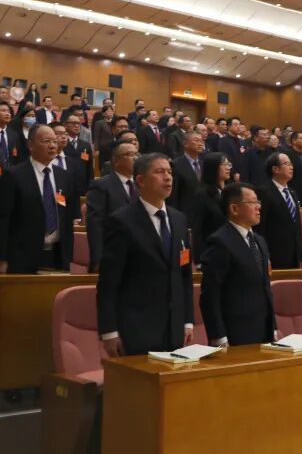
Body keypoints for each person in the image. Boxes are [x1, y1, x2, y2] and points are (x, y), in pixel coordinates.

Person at [97, 153, 194, 357]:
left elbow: (184, 275)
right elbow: (108, 282)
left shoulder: (179, 219)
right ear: (140, 180)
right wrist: (109, 331)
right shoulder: (121, 221)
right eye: (159, 172)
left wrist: (187, 320)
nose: (167, 177)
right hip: (136, 329)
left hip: (174, 328)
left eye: (169, 172)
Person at [199, 182, 277, 347]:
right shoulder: (220, 242)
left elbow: (265, 287)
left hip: (264, 329)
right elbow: (210, 294)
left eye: (258, 202)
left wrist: (273, 326)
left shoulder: (260, 241)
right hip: (235, 332)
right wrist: (218, 336)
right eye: (252, 202)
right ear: (234, 209)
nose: (258, 207)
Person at [0, 124, 74, 273]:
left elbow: (67, 219)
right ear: (30, 145)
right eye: (46, 141)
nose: (52, 146)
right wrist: (1, 258)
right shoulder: (14, 175)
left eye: (54, 141)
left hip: (57, 256)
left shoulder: (64, 176)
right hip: (22, 256)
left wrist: (69, 257)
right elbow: (3, 219)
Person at [85, 141, 139, 273]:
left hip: (139, 255)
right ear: (116, 160)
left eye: (137, 154)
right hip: (113, 254)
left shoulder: (142, 185)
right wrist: (98, 259)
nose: (135, 158)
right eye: (130, 154)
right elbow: (95, 224)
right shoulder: (101, 185)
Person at [255, 152, 302, 269]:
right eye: (287, 164)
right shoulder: (263, 192)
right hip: (275, 253)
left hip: (294, 254)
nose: (291, 167)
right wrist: (264, 254)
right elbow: (260, 227)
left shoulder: (292, 192)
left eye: (291, 164)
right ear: (275, 169)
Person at [186, 153, 231, 264]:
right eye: (224, 164)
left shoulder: (230, 192)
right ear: (213, 168)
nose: (228, 167)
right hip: (211, 252)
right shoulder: (202, 195)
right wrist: (199, 259)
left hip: (230, 250)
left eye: (229, 164)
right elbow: (197, 230)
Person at [169, 131, 204, 214]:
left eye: (201, 141)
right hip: (185, 212)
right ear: (185, 144)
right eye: (196, 140)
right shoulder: (176, 165)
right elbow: (174, 195)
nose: (200, 143)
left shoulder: (204, 164)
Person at [63, 114, 94, 190]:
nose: (76, 125)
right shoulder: (62, 144)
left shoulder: (86, 145)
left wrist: (91, 186)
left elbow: (89, 167)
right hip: (65, 184)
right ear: (65, 125)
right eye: (73, 123)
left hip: (82, 185)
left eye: (78, 123)